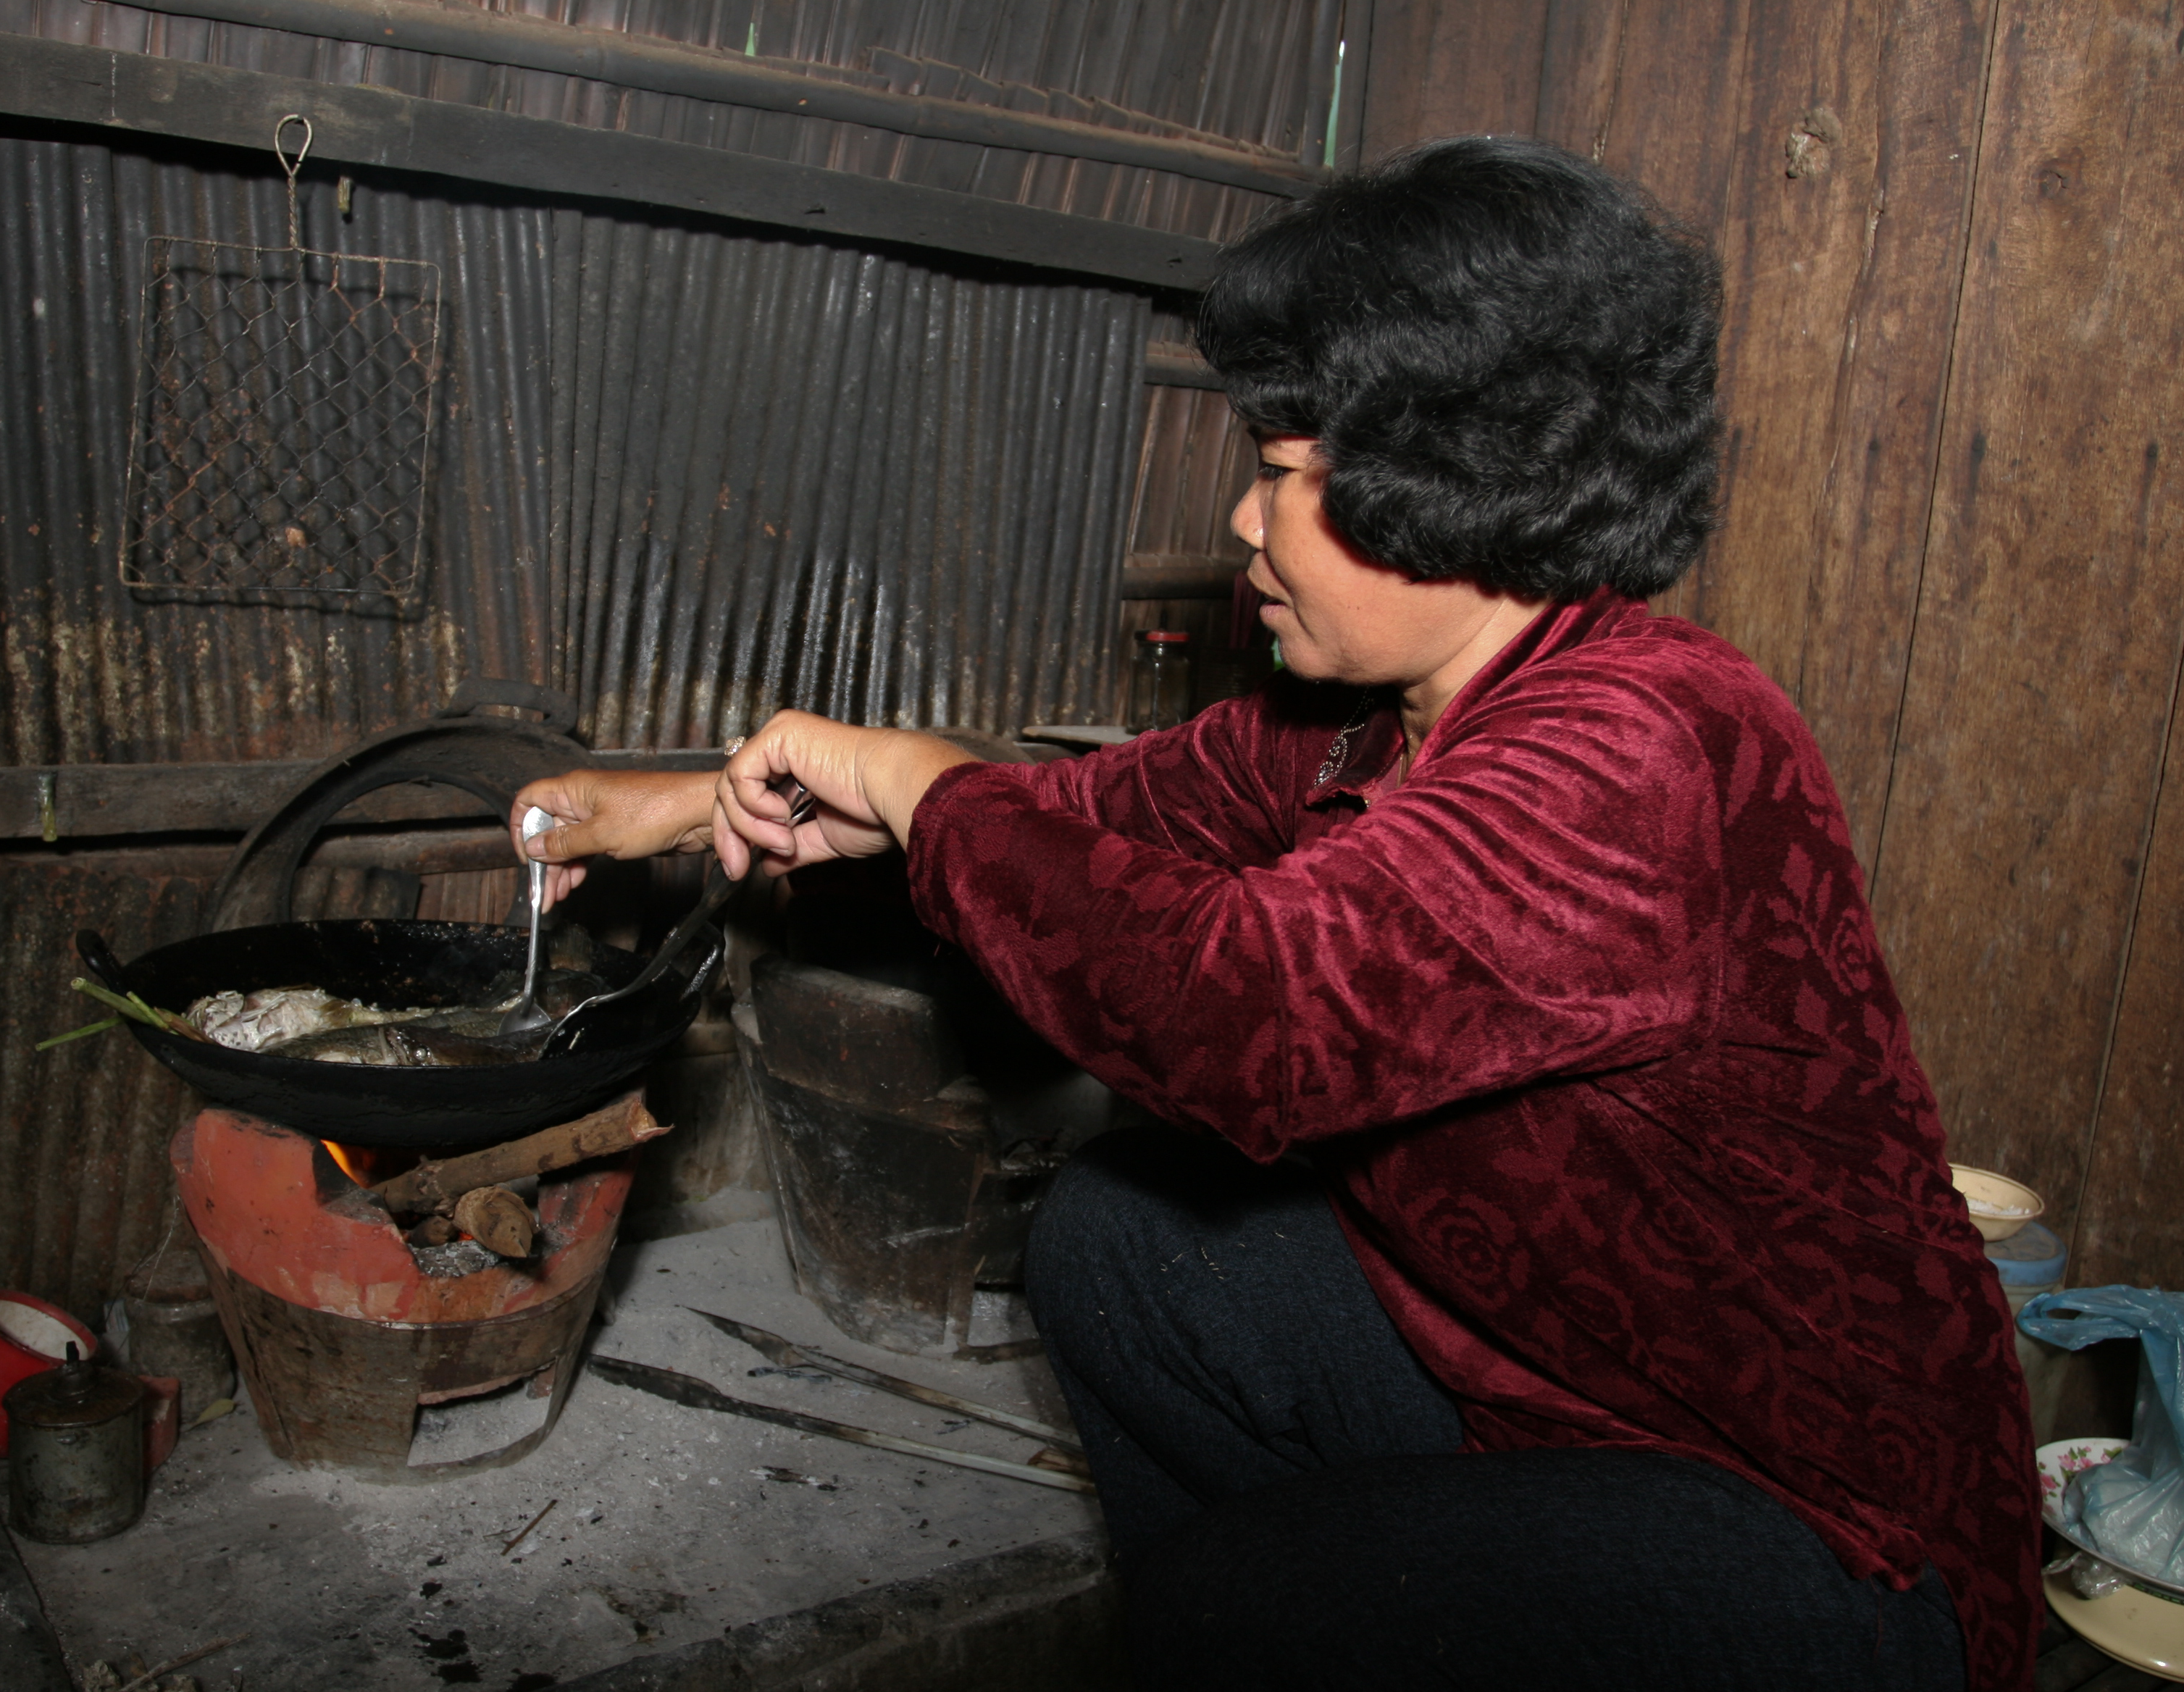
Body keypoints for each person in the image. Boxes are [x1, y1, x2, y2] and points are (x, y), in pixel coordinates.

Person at [511, 135, 2039, 1691]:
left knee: (1243, 1602)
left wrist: (918, 786)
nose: (1243, 525)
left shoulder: (1645, 744)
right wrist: (696, 799)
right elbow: (1098, 826)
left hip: (1816, 1526)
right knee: (1136, 1242)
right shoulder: (1382, 716)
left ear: (1453, 470)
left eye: (1281, 470)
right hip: (1550, 1397)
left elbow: (1244, 1018)